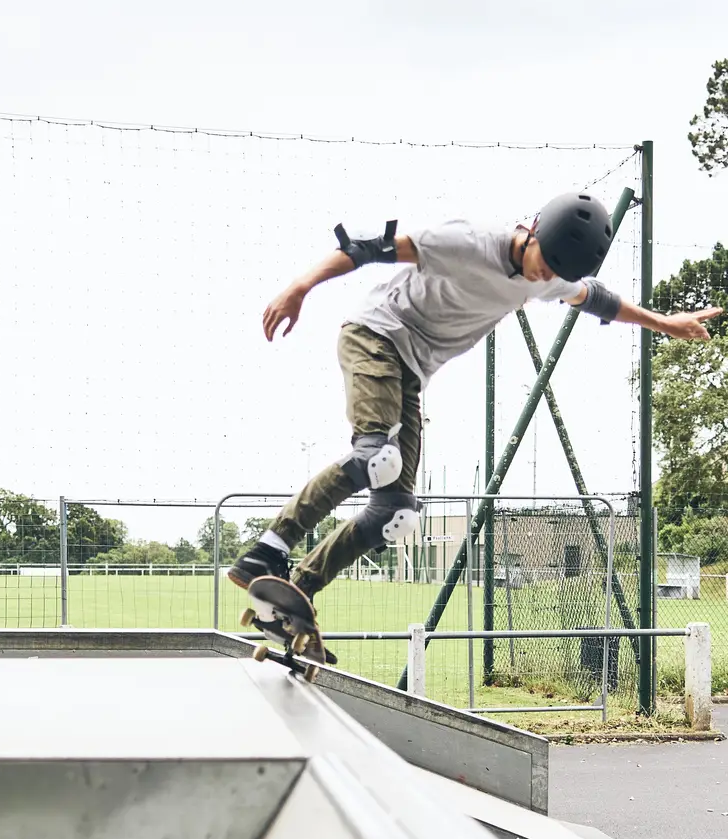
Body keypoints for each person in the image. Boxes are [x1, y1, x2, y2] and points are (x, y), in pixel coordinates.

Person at [228, 193, 723, 605]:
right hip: (375, 334)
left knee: (394, 515)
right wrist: (301, 286)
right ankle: (269, 548)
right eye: (542, 262)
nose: (541, 276)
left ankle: (297, 590)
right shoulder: (467, 240)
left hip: (412, 371)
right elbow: (366, 248)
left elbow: (597, 299)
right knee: (375, 458)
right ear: (531, 231)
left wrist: (666, 322)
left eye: (553, 272)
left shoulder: (552, 276)